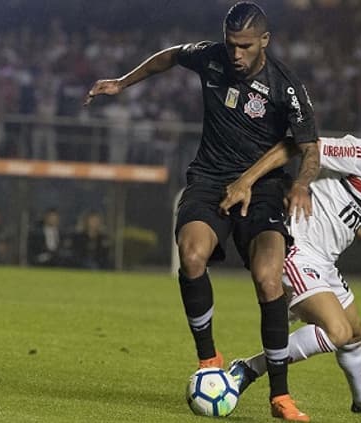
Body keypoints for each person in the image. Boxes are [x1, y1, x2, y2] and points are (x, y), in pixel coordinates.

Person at [84, 2, 319, 420]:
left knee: (268, 280)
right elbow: (171, 56)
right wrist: (123, 82)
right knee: (191, 255)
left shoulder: (285, 85)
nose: (236, 54)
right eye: (231, 44)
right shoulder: (211, 57)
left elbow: (307, 147)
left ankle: (280, 397)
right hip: (210, 180)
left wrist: (299, 183)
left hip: (263, 190)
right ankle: (209, 362)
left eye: (245, 46)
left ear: (264, 41)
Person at [219, 100, 361, 417]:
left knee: (354, 332)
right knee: (337, 332)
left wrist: (354, 223)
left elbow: (339, 190)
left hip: (324, 260)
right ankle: (250, 368)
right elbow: (304, 146)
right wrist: (254, 181)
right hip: (299, 251)